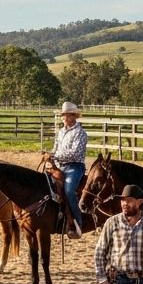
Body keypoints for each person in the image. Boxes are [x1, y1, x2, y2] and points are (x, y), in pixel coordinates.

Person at [43, 101, 88, 238]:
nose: (64, 118)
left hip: (75, 167)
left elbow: (75, 153)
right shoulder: (61, 132)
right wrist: (49, 156)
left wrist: (54, 155)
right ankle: (58, 217)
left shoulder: (80, 133)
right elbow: (56, 148)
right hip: (60, 166)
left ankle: (78, 222)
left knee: (68, 191)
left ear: (74, 116)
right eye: (63, 115)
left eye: (67, 115)